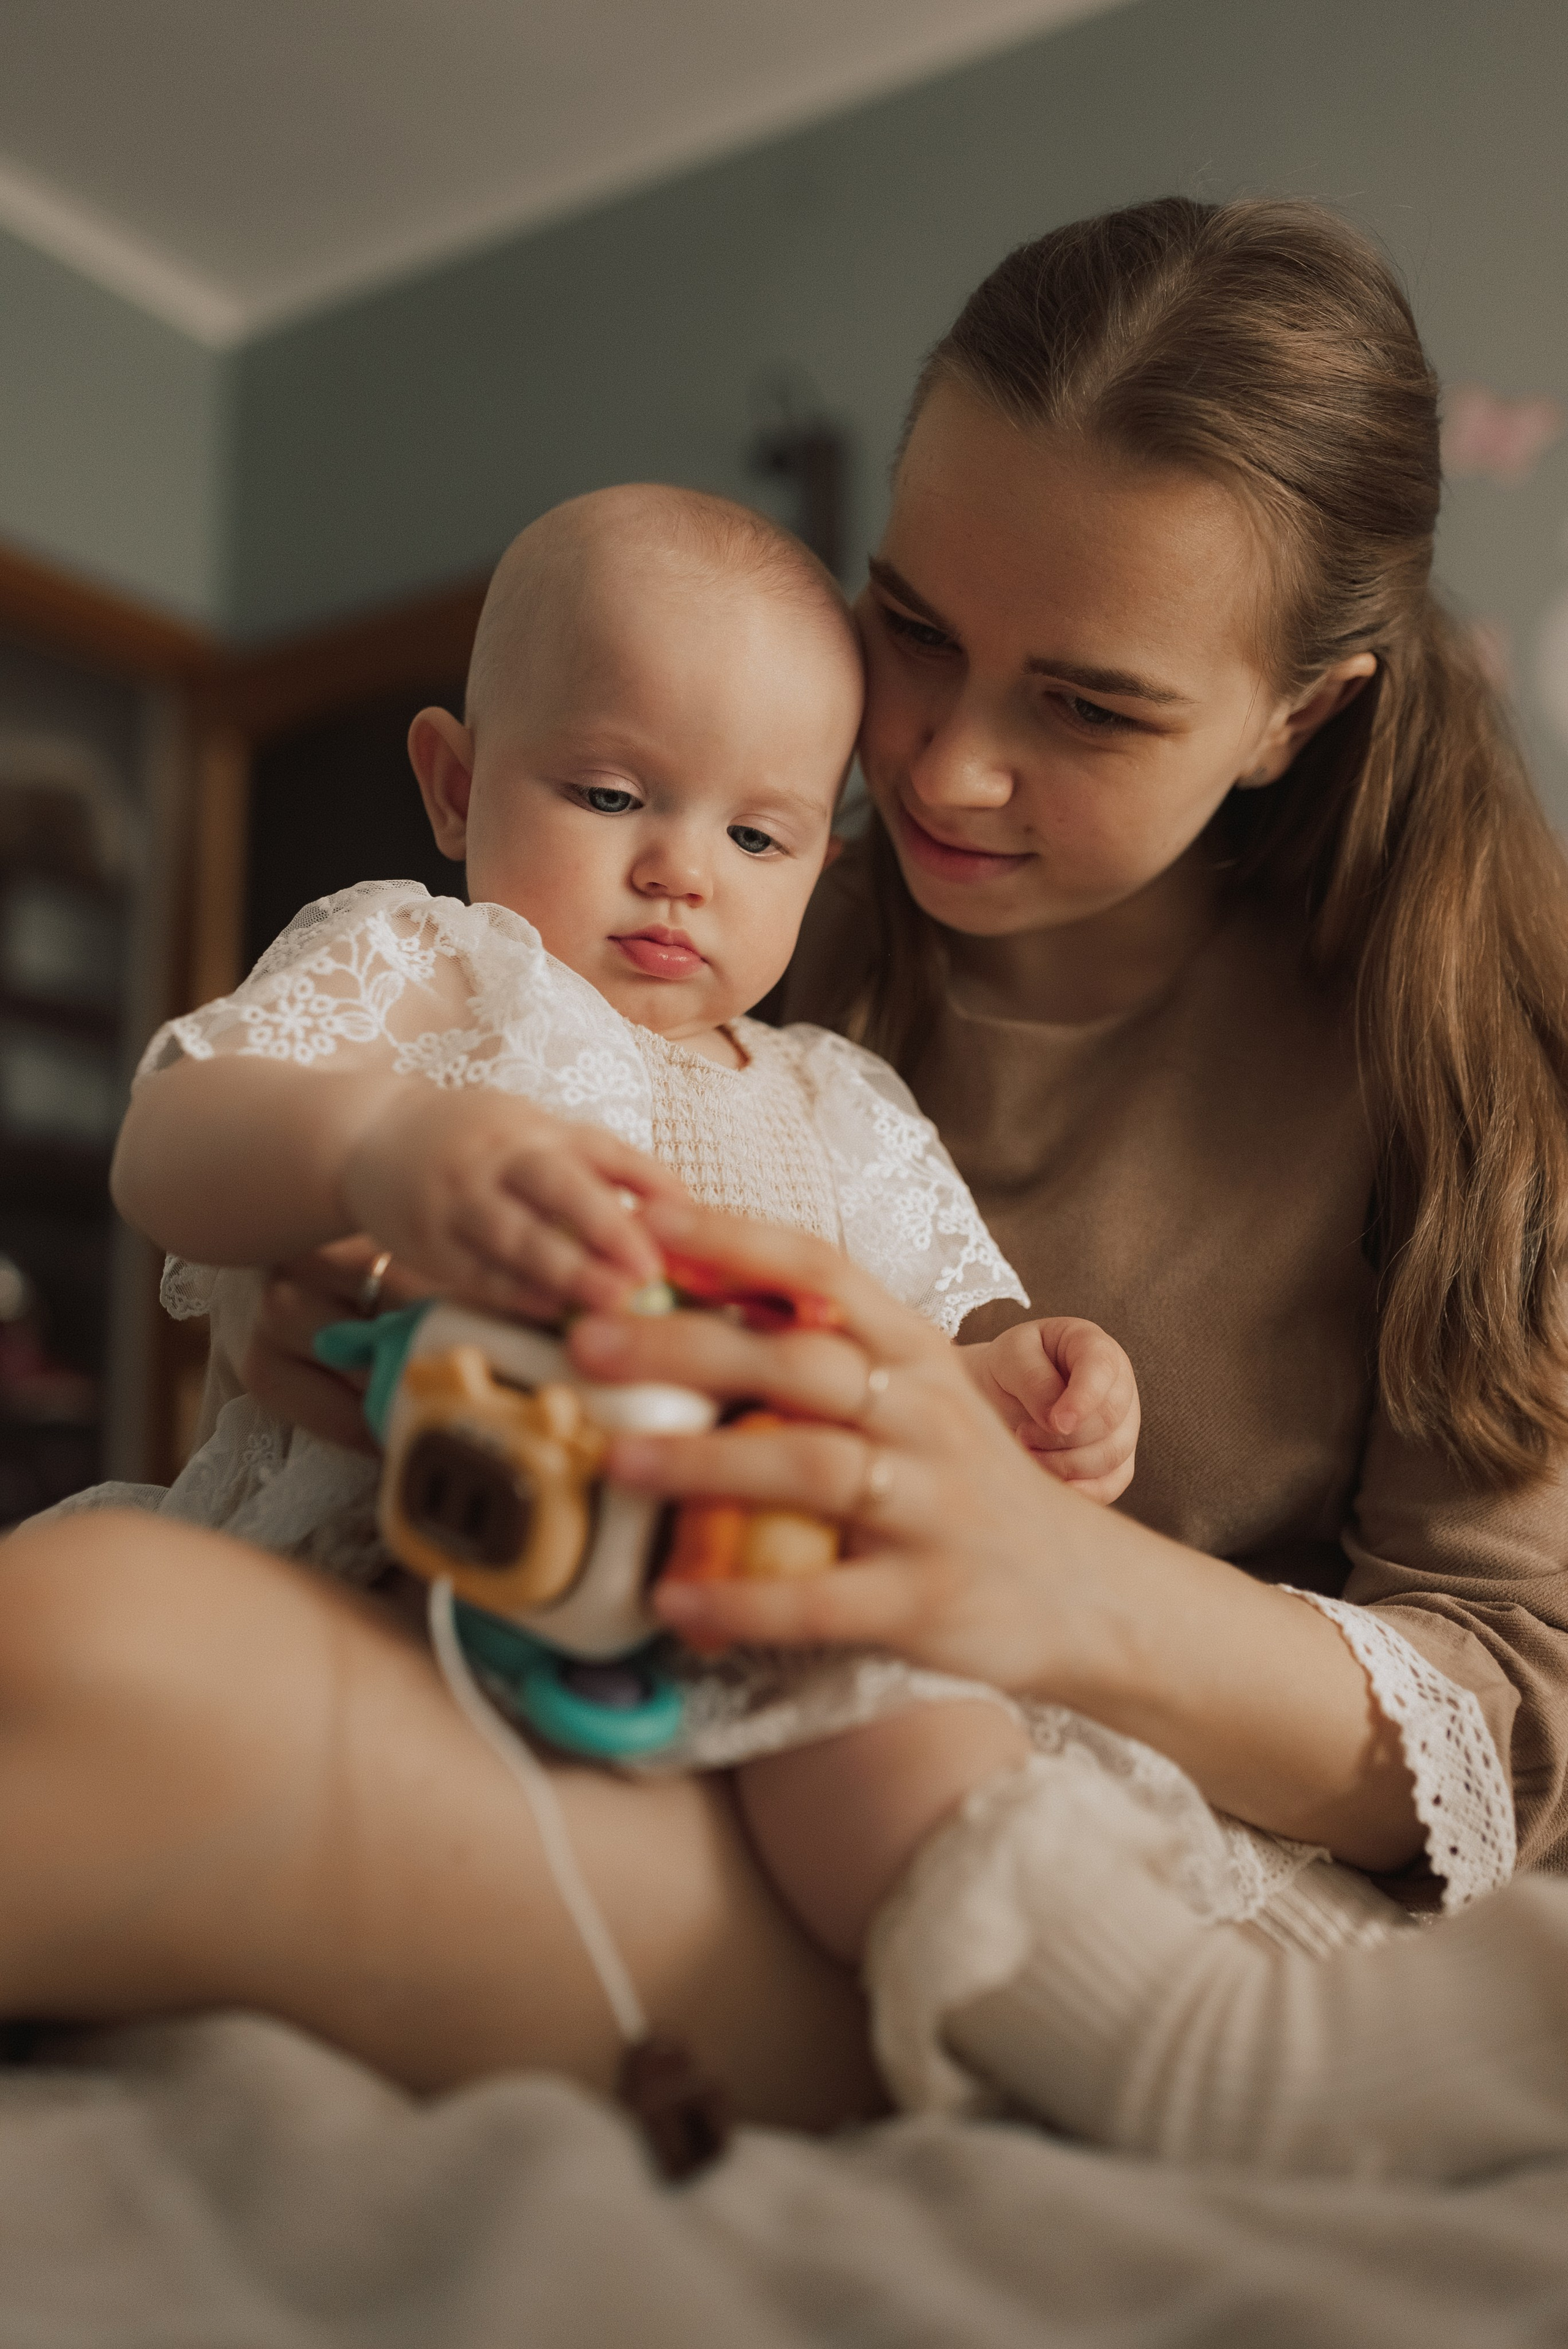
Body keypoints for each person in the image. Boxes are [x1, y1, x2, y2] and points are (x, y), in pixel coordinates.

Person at [5, 190, 1567, 2168]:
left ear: (1298, 715)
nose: (941, 770)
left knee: (104, 1656)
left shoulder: (1459, 1058)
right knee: (86, 1624)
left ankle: (1185, 2044)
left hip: (913, 1782)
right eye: (912, 628)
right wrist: (335, 1266)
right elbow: (260, 1131)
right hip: (534, 1620)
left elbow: (1513, 1717)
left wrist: (1030, 1554)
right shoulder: (693, 922)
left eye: (1088, 703)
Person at [57, 481, 1142, 1988]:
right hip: (414, 1563)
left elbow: (912, 1357)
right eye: (611, 795)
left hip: (735, 1594)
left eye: (754, 833)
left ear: (818, 867)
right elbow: (168, 1138)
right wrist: (366, 1146)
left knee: (909, 1724)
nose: (680, 869)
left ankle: (1068, 2006)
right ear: (456, 785)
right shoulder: (438, 965)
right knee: (141, 1691)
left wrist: (1008, 1380)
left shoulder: (836, 1101)